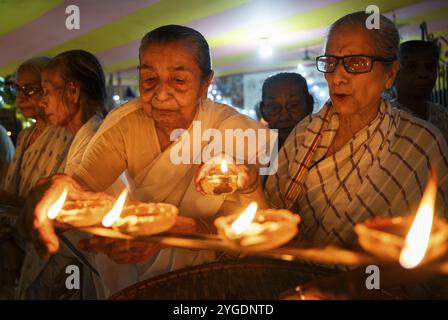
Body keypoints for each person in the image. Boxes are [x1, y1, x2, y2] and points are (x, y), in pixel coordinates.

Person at [21, 25, 275, 297]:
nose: (161, 94)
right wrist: (59, 189)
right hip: (132, 270)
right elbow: (82, 183)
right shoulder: (125, 124)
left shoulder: (234, 130)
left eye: (178, 81)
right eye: (149, 79)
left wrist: (172, 231)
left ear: (205, 83)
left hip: (208, 277)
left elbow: (247, 229)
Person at [264, 12, 448, 299]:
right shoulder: (305, 133)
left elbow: (434, 253)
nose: (338, 76)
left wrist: (336, 287)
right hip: (293, 281)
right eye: (331, 63)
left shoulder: (421, 143)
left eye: (356, 63)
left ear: (390, 74)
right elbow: (272, 216)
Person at [17, 50, 116, 299]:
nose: (41, 102)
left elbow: (80, 222)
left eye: (47, 92)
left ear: (73, 92)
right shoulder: (79, 137)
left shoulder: (96, 141)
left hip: (89, 269)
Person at [1, 57, 72, 203]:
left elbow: (56, 202)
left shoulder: (68, 134)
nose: (20, 98)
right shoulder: (25, 135)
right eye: (18, 89)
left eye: (29, 89)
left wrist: (9, 200)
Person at [392, 40, 448, 142]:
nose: (423, 74)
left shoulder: (441, 115)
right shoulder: (386, 118)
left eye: (430, 66)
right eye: (412, 67)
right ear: (394, 74)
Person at [259, 72, 314, 149]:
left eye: (293, 105)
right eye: (274, 108)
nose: (284, 117)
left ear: (309, 105)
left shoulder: (328, 143)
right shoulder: (253, 154)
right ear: (263, 112)